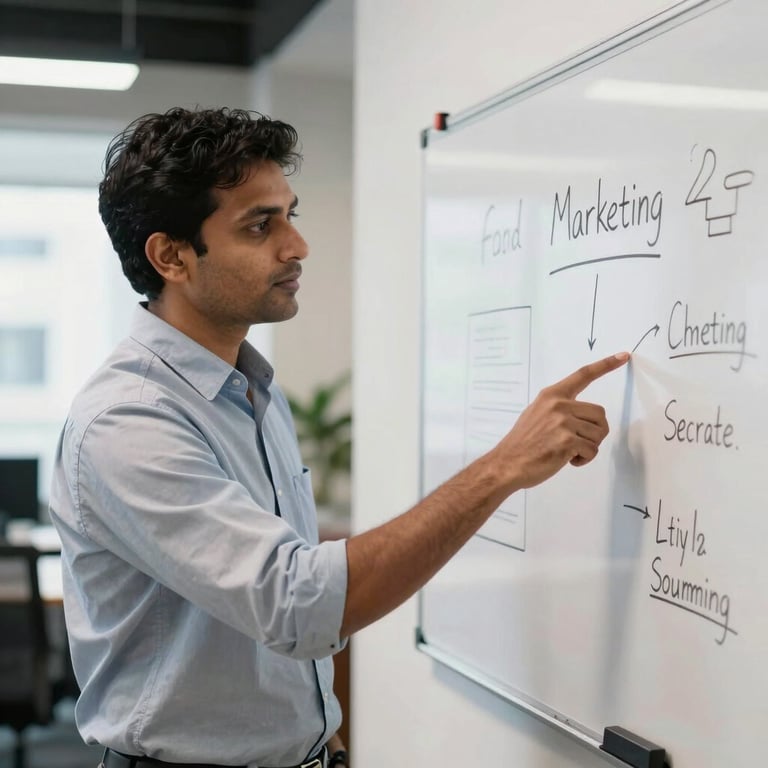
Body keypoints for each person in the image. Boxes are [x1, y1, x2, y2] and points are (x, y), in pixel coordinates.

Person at [48, 107, 629, 768]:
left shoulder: (254, 392)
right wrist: (502, 468)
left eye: (290, 215)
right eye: (260, 225)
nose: (296, 246)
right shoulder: (128, 421)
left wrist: (320, 737)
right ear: (171, 255)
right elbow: (299, 605)